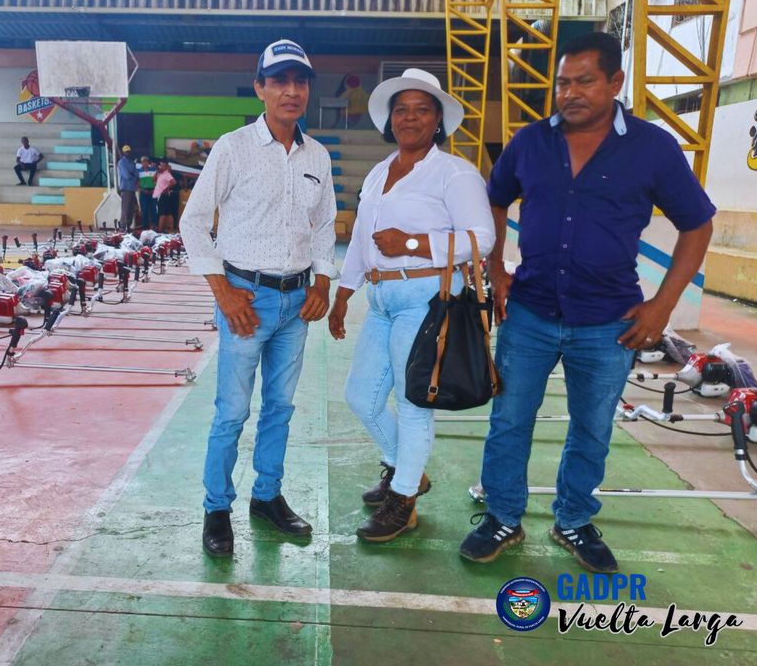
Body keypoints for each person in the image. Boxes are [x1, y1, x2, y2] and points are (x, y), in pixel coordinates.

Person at [458, 32, 715, 574]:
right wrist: (495, 268)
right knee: (510, 419)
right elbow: (494, 201)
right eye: (562, 83)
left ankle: (573, 518)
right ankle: (502, 515)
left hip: (609, 322)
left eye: (584, 81)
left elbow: (697, 225)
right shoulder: (530, 142)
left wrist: (663, 306)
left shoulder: (652, 148)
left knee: (592, 428)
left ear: (615, 82)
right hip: (528, 312)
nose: (569, 93)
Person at [181, 38, 338, 557]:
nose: (291, 91)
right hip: (246, 301)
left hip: (297, 304)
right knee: (231, 411)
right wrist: (222, 291)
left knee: (280, 407)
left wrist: (322, 281)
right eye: (279, 82)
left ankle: (266, 496)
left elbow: (324, 225)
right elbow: (193, 222)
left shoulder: (317, 156)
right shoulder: (233, 148)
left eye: (300, 82)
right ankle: (217, 508)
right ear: (260, 89)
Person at [328, 69, 495, 543]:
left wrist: (413, 243)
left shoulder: (455, 173)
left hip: (425, 299)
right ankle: (406, 470)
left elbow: (481, 239)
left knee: (413, 403)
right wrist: (343, 294)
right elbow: (362, 239)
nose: (410, 117)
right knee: (360, 396)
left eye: (422, 110)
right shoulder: (380, 171)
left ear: (438, 120)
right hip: (382, 299)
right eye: (401, 109)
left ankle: (403, 500)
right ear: (390, 119)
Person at [117, 144, 139, 231]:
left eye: (128, 151)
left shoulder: (131, 162)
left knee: (131, 209)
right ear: (123, 152)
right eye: (126, 151)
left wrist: (132, 175)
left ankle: (128, 226)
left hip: (132, 188)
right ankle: (123, 226)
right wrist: (133, 176)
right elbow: (126, 175)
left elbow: (137, 174)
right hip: (126, 188)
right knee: (125, 208)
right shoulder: (121, 162)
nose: (128, 153)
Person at [153, 159, 178, 233]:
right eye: (160, 165)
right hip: (161, 195)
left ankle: (160, 230)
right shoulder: (160, 173)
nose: (161, 167)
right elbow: (153, 180)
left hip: (162, 195)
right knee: (168, 212)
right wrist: (157, 172)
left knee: (162, 213)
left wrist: (166, 188)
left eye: (163, 166)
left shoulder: (167, 174)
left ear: (166, 167)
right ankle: (171, 228)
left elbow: (174, 182)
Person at [136, 156, 157, 229]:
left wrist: (154, 189)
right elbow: (137, 183)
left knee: (153, 209)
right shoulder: (138, 171)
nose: (145, 163)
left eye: (146, 161)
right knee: (144, 210)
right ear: (141, 163)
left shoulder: (153, 170)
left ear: (148, 162)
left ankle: (154, 225)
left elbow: (157, 180)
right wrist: (142, 190)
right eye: (143, 161)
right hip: (143, 192)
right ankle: (145, 227)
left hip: (153, 191)